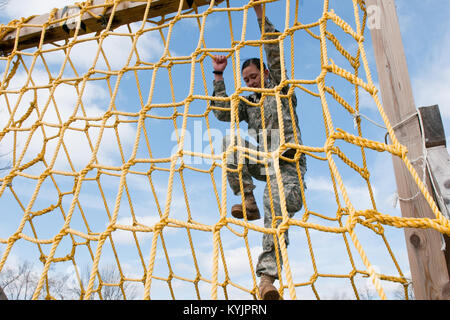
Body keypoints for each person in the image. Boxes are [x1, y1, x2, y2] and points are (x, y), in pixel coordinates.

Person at [210, 1, 307, 300]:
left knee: (275, 204)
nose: (251, 82)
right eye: (247, 80)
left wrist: (260, 16)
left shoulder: (279, 87)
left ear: (264, 73)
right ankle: (247, 199)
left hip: (289, 168)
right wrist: (218, 76)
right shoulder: (249, 102)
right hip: (264, 163)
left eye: (254, 77)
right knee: (230, 142)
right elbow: (222, 112)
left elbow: (274, 51)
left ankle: (267, 280)